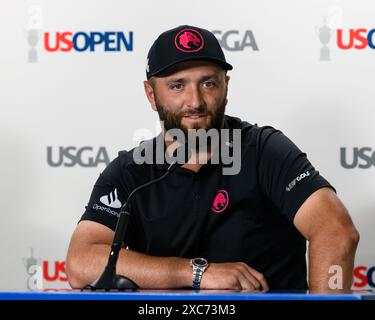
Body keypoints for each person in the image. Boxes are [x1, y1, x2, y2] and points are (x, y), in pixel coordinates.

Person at [66, 25, 359, 291]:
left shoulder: (265, 150)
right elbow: (81, 262)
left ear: (226, 87)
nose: (195, 101)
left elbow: (336, 232)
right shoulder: (130, 172)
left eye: (208, 83)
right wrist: (196, 272)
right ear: (151, 95)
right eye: (177, 85)